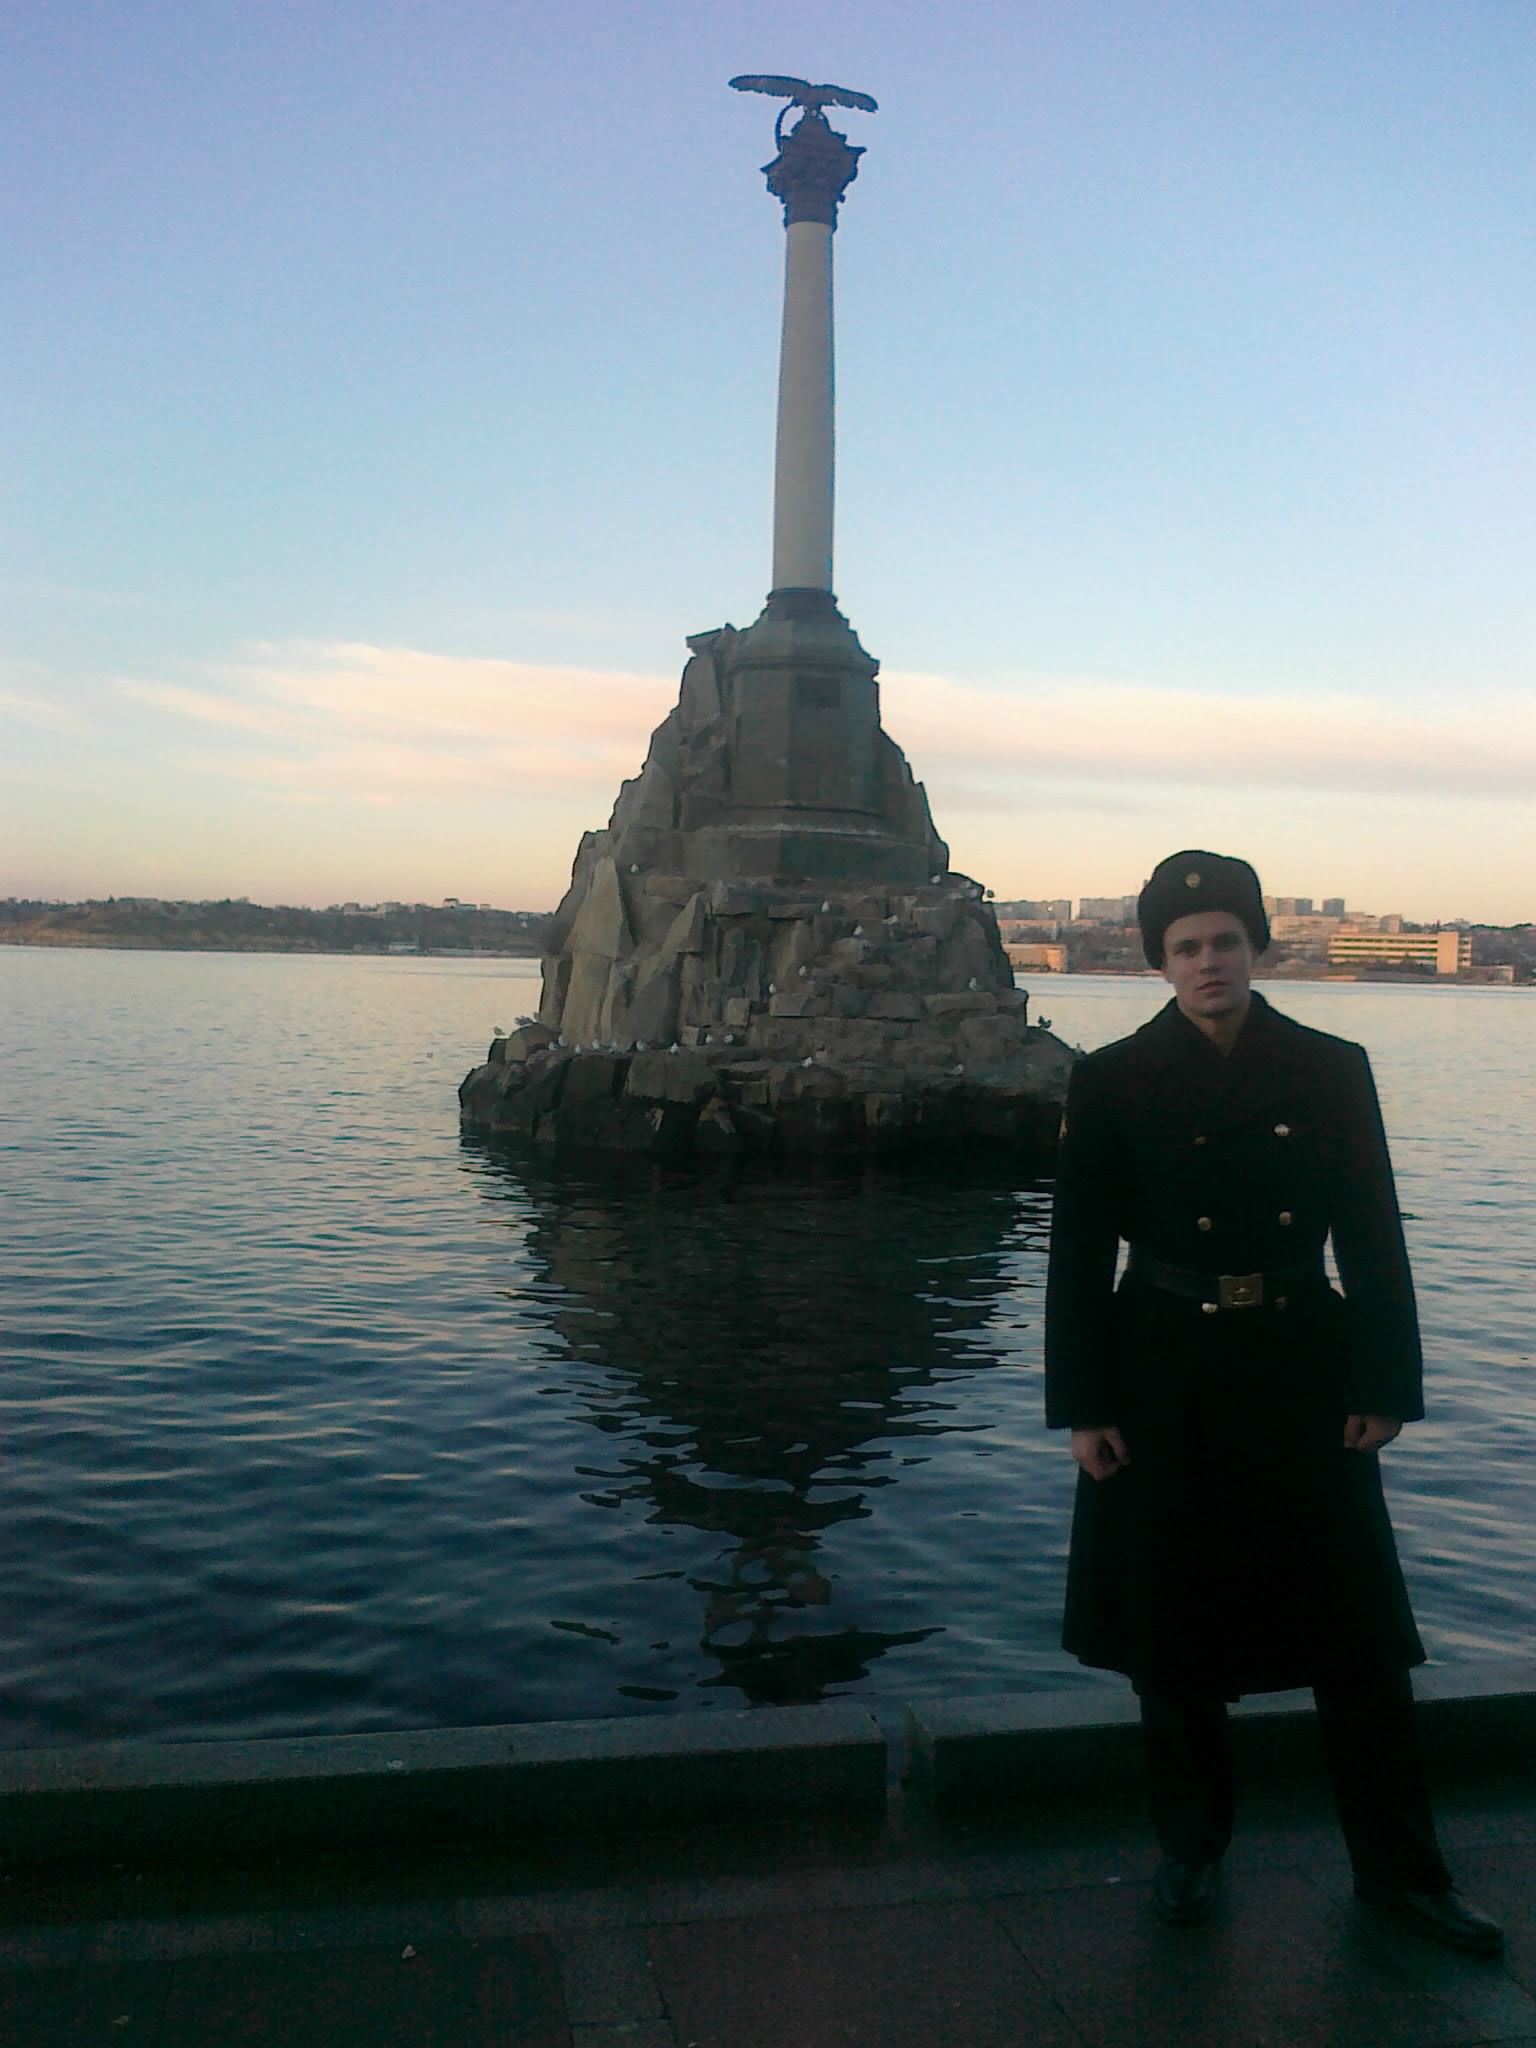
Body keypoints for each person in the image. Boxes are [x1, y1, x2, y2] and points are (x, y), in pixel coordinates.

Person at [1043, 849, 1502, 1953]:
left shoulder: (1330, 1066)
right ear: (1160, 962)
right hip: (1163, 1368)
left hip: (1303, 1359)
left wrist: (1385, 1382)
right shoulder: (1111, 1079)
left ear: (1256, 947)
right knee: (1174, 1634)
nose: (1209, 961)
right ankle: (1191, 1850)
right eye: (1186, 946)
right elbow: (1077, 1256)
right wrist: (1085, 1407)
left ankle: (1402, 1871)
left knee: (1360, 1636)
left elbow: (1373, 1230)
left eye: (1225, 941)